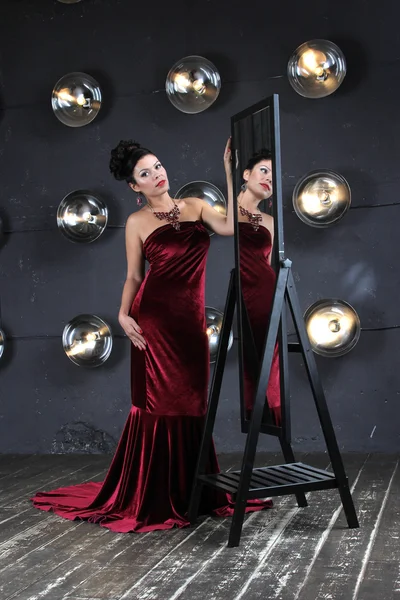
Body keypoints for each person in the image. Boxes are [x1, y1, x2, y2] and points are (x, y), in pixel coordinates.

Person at [31, 138, 272, 532]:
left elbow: (230, 227)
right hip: (154, 322)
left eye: (157, 166)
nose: (157, 175)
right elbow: (134, 277)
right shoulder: (138, 223)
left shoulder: (194, 206)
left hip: (190, 325)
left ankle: (196, 491)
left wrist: (227, 172)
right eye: (145, 173)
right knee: (158, 405)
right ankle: (155, 495)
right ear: (134, 187)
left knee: (194, 403)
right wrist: (122, 314)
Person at [237, 148, 281, 426]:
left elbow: (267, 261)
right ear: (246, 174)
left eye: (274, 177)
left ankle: (271, 417)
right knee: (249, 358)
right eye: (264, 170)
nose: (269, 179)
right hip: (240, 295)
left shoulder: (270, 221)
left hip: (266, 293)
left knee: (270, 357)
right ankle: (253, 415)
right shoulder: (227, 214)